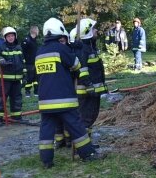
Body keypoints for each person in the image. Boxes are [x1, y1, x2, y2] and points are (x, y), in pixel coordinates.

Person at [35, 17, 99, 167]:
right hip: (64, 98)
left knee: (46, 131)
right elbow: (76, 66)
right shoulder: (61, 49)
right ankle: (88, 154)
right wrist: (75, 50)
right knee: (76, 127)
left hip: (45, 101)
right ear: (60, 33)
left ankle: (46, 161)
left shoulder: (39, 52)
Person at [74, 18, 106, 137]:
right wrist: (89, 86)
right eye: (93, 29)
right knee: (86, 118)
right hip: (87, 91)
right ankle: (83, 146)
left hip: (93, 91)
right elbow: (82, 71)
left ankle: (88, 142)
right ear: (88, 32)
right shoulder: (83, 49)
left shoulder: (90, 47)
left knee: (91, 117)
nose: (96, 30)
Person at [0, 27, 25, 125]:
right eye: (8, 36)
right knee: (2, 98)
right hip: (4, 79)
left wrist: (25, 74)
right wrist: (0, 61)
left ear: (15, 36)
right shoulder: (1, 47)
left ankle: (16, 117)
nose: (11, 38)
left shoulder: (18, 48)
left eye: (12, 36)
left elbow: (23, 62)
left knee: (17, 98)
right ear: (5, 37)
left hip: (17, 79)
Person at [21, 25, 40, 97]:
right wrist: (24, 61)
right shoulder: (27, 40)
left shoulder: (35, 40)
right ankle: (27, 91)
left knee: (36, 78)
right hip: (28, 63)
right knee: (29, 77)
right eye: (37, 30)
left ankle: (36, 91)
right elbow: (22, 52)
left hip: (36, 62)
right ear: (35, 31)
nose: (38, 32)